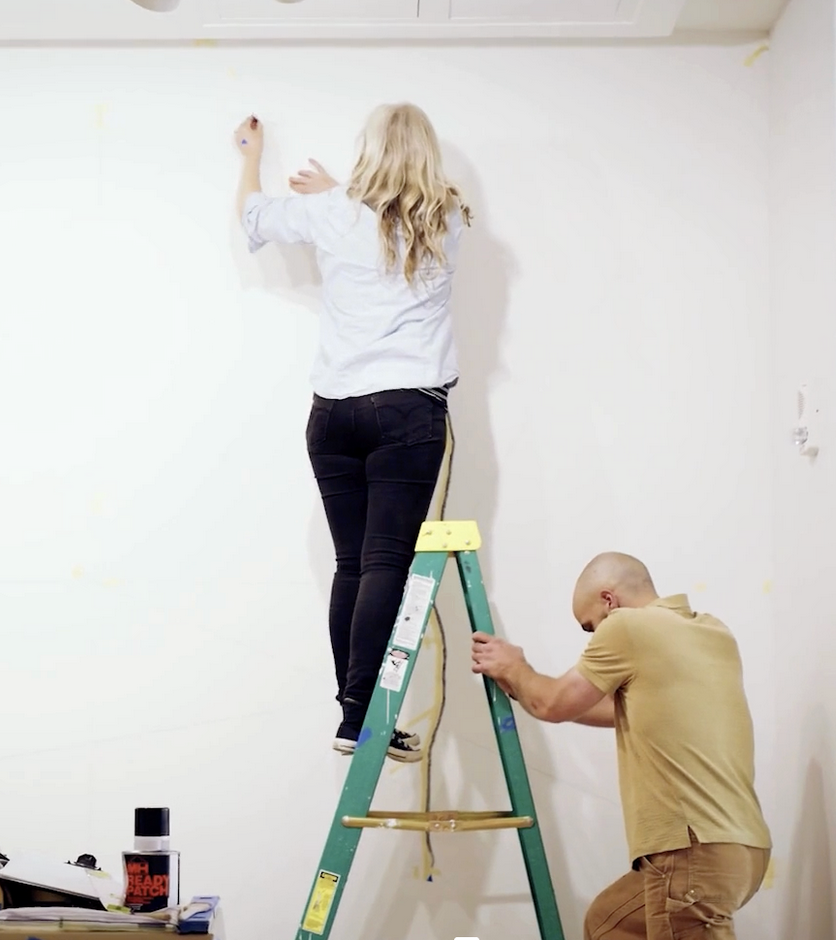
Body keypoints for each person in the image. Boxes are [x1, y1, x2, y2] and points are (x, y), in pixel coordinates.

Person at [233, 104, 471, 763]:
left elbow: (253, 216)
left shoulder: (334, 213)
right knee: (384, 563)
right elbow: (390, 219)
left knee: (351, 564)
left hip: (333, 413)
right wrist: (341, 192)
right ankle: (363, 716)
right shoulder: (446, 219)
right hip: (407, 411)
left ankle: (353, 715)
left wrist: (253, 154)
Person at [470, 551, 771, 939]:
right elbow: (610, 708)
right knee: (608, 923)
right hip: (743, 849)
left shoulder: (627, 626)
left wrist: (514, 666)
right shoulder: (711, 632)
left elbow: (553, 702)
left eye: (590, 626)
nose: (594, 637)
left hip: (692, 851)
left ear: (608, 601)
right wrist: (520, 687)